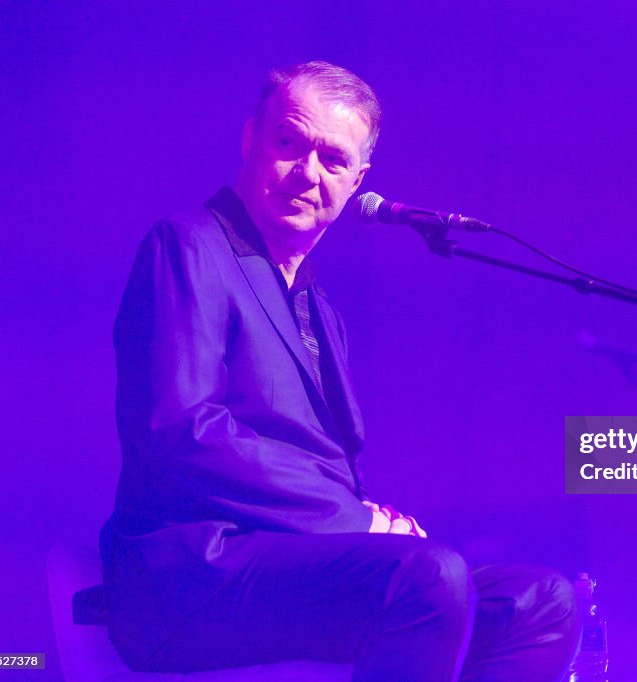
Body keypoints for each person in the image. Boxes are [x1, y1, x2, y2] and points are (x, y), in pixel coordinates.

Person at [99, 61, 579, 681]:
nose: (308, 173)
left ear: (358, 181)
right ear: (251, 140)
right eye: (288, 144)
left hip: (297, 559)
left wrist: (369, 520)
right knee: (427, 575)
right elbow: (181, 429)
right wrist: (361, 521)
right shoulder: (189, 244)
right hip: (196, 573)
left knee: (539, 602)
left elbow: (319, 462)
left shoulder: (318, 305)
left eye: (332, 159)